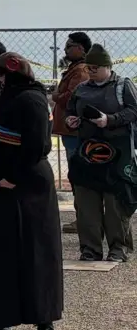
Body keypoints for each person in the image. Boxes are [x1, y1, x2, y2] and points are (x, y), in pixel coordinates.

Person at [0, 53, 61, 330]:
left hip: (25, 186)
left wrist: (13, 177)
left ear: (12, 75)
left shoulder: (32, 100)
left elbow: (38, 145)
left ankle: (44, 325)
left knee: (36, 255)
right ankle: (1, 323)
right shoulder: (5, 98)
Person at [65, 44, 137, 262]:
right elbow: (70, 110)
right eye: (89, 68)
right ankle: (90, 249)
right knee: (86, 202)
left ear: (107, 66)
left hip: (118, 151)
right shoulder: (81, 89)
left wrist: (110, 120)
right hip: (87, 151)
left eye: (95, 68)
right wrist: (71, 121)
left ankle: (119, 248)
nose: (91, 72)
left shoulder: (123, 86)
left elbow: (134, 110)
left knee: (116, 202)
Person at [52, 32, 92, 234]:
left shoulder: (81, 71)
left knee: (79, 175)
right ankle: (84, 218)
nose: (66, 49)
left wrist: (56, 96)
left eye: (69, 46)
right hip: (70, 131)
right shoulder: (76, 69)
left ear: (81, 48)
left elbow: (73, 97)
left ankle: (85, 219)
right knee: (77, 174)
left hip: (75, 132)